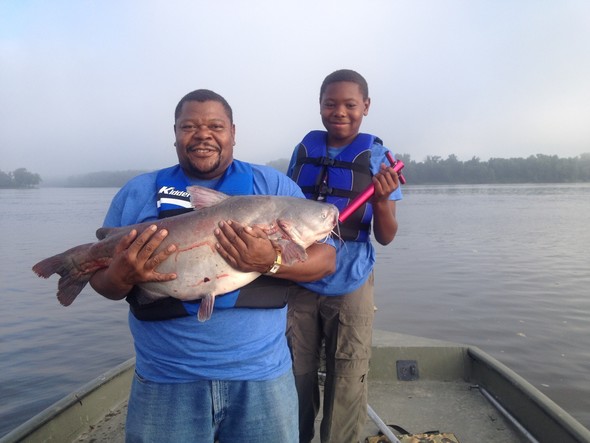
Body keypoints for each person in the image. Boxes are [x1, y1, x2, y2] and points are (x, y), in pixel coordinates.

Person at [89, 88, 336, 443]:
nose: (203, 134)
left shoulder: (273, 187)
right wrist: (120, 276)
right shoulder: (136, 193)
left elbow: (326, 261)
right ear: (174, 134)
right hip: (165, 380)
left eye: (215, 126)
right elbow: (104, 284)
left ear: (233, 133)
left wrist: (270, 259)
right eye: (189, 126)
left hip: (261, 377)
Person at [286, 69, 403, 443]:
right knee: (294, 370)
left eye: (350, 104)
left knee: (347, 376)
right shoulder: (304, 150)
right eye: (330, 104)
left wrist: (382, 200)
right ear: (319, 106)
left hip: (351, 279)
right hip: (300, 277)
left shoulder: (379, 157)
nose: (340, 112)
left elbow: (386, 236)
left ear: (365, 107)